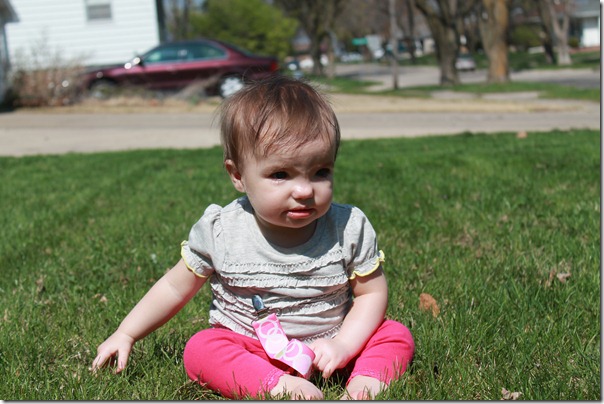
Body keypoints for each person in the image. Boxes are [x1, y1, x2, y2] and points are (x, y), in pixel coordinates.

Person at [91, 75, 415, 400]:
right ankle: (277, 386)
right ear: (238, 175)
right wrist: (127, 333)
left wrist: (343, 344)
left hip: (331, 346)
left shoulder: (347, 227)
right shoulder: (221, 231)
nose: (304, 190)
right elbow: (175, 288)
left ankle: (364, 386)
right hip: (252, 347)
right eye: (280, 174)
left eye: (321, 172)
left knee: (394, 334)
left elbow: (371, 294)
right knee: (202, 348)